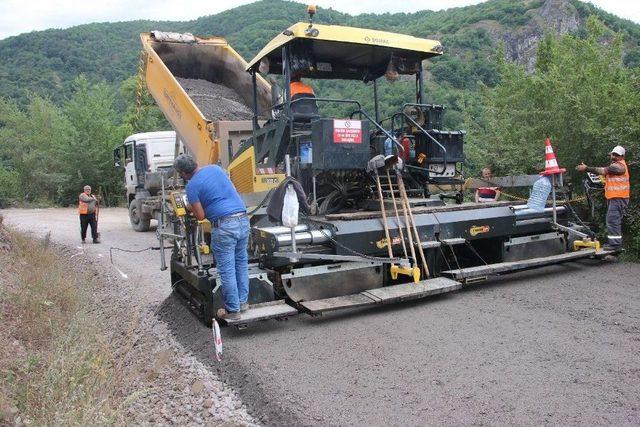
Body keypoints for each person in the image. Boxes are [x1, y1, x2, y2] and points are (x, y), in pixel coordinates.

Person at [173, 154, 249, 320]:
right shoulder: (216, 168)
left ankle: (233, 310)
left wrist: (190, 207)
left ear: (183, 174)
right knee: (241, 263)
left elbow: (200, 216)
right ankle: (243, 303)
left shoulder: (192, 186)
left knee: (227, 268)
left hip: (225, 226)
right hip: (243, 219)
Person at [576, 145, 630, 251]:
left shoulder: (619, 166)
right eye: (613, 154)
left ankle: (615, 245)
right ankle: (614, 244)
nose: (614, 156)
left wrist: (586, 168)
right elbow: (609, 177)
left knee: (613, 220)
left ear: (622, 156)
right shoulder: (615, 166)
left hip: (618, 198)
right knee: (612, 220)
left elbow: (602, 171)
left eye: (617, 155)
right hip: (615, 197)